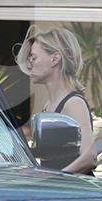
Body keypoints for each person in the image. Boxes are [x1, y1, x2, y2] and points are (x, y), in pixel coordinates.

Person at [14, 23, 96, 174]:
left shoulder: (74, 103)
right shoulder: (49, 105)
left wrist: (56, 178)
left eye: (33, 58)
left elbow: (89, 157)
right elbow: (54, 154)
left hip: (73, 192)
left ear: (55, 59)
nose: (29, 64)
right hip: (58, 190)